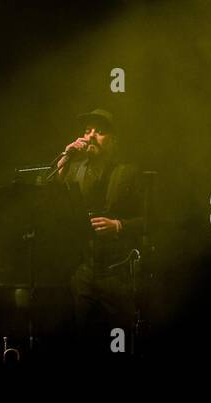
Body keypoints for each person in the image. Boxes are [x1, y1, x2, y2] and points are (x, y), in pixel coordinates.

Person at [52, 108, 145, 355]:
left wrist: (118, 225)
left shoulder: (128, 172)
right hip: (84, 271)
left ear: (113, 140)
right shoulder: (75, 169)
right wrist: (65, 157)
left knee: (120, 343)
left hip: (117, 273)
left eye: (100, 132)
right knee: (84, 341)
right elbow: (52, 201)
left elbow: (152, 220)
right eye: (87, 131)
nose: (91, 136)